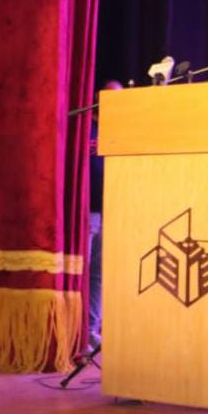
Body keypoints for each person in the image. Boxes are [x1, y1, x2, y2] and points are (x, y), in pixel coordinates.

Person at [85, 79, 123, 357]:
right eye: (110, 97)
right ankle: (76, 331)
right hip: (88, 211)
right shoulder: (86, 126)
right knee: (83, 270)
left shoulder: (122, 130)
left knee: (99, 274)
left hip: (112, 210)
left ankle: (91, 329)